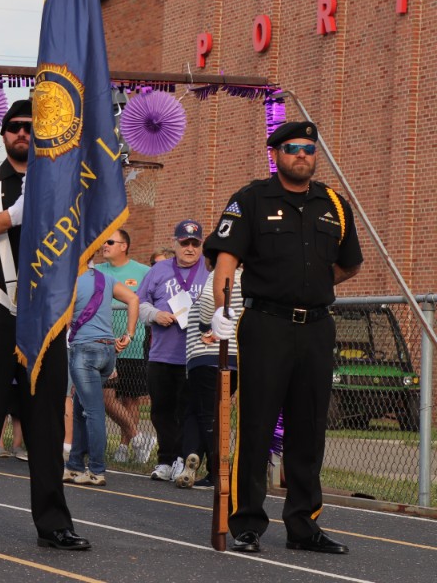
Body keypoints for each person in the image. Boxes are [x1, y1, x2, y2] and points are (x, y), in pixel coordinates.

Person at [203, 120, 361, 555]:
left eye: (309, 149)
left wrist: (309, 287)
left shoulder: (334, 204)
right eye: (293, 147)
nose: (302, 155)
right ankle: (248, 522)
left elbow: (349, 264)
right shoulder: (251, 199)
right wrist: (221, 310)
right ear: (275, 153)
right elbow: (226, 263)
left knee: (309, 430)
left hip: (316, 326)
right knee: (256, 425)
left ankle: (304, 524)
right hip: (266, 325)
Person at [0, 99, 90, 552]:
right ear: (2, 133)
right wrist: (11, 216)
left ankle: (54, 525)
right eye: (15, 127)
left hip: (45, 319)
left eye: (32, 126)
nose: (23, 132)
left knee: (45, 425)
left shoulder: (66, 183)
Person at [136, 219, 205, 482]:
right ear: (175, 243)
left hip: (194, 354)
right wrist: (155, 314)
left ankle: (181, 458)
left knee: (186, 410)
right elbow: (138, 302)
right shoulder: (159, 270)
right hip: (162, 353)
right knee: (161, 410)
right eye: (184, 243)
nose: (189, 248)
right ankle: (164, 460)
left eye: (195, 243)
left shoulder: (209, 271)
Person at [63, 268, 139, 486]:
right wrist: (129, 334)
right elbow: (133, 298)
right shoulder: (104, 278)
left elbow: (66, 320)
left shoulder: (69, 279)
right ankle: (75, 465)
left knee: (93, 412)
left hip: (84, 351)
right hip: (107, 352)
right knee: (80, 407)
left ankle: (96, 469)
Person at [176, 266, 242, 489]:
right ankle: (192, 455)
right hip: (234, 357)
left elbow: (207, 302)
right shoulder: (250, 279)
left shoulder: (220, 274)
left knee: (208, 415)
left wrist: (206, 326)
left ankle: (218, 471)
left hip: (208, 356)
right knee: (195, 411)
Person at [94, 229, 153, 463]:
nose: (104, 245)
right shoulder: (97, 271)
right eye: (103, 242)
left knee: (130, 399)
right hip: (104, 346)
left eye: (109, 242)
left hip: (134, 344)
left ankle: (124, 446)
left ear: (124, 246)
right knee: (106, 396)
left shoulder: (143, 272)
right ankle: (139, 437)